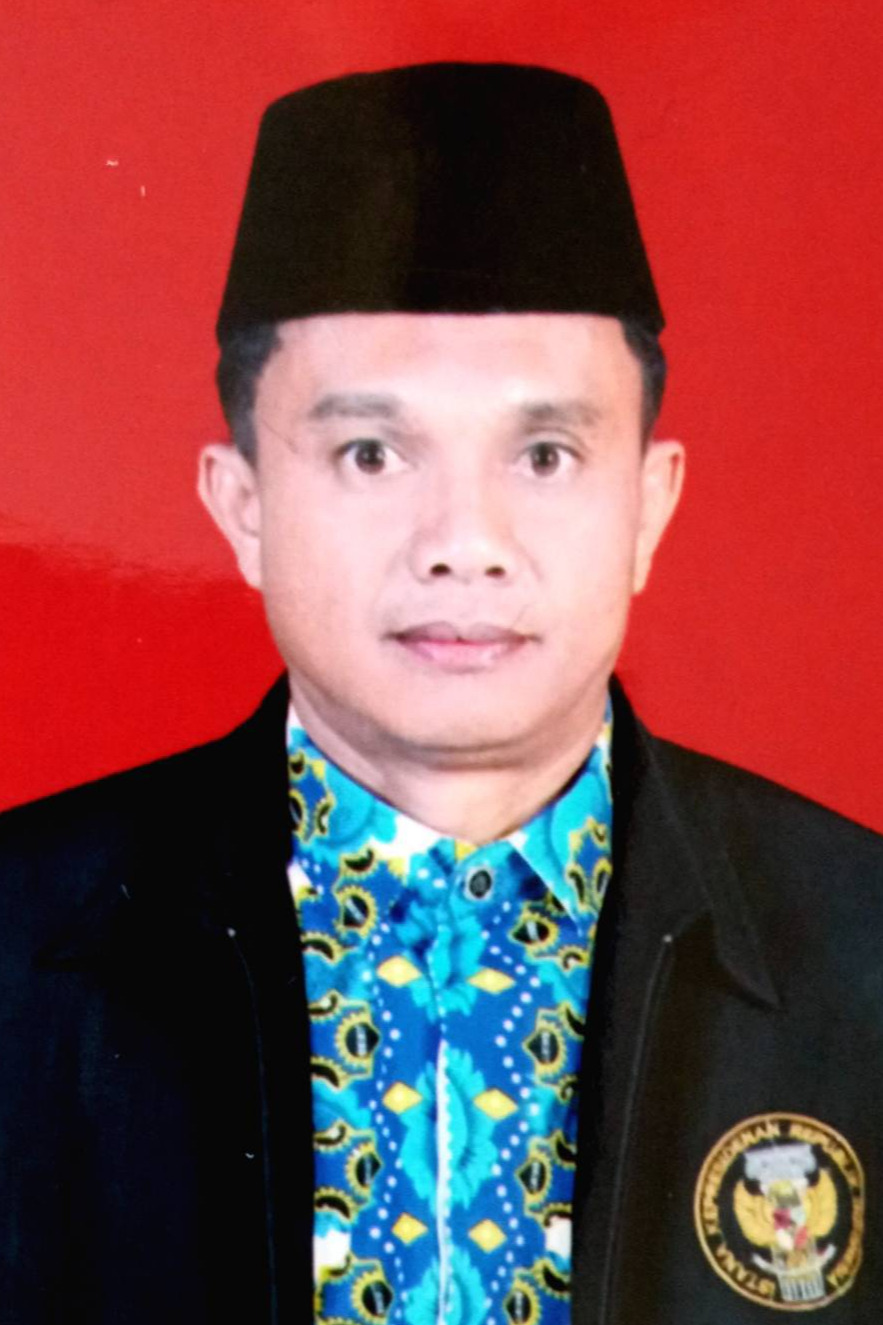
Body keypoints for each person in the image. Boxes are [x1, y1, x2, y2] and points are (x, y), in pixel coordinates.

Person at [1, 62, 880, 1325]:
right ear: (242, 506)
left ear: (649, 504)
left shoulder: (862, 940)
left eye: (545, 454)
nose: (464, 542)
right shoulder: (19, 944)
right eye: (371, 453)